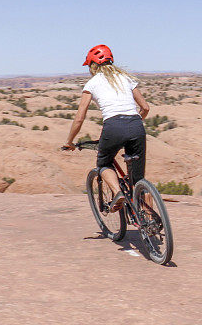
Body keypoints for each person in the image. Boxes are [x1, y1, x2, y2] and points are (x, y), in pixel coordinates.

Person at [63, 44, 150, 210]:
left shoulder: (92, 84)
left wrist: (70, 141)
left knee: (104, 163)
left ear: (92, 66)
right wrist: (134, 123)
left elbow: (80, 118)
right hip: (136, 125)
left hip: (113, 127)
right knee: (139, 180)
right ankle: (151, 223)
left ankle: (118, 193)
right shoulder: (126, 78)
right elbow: (145, 108)